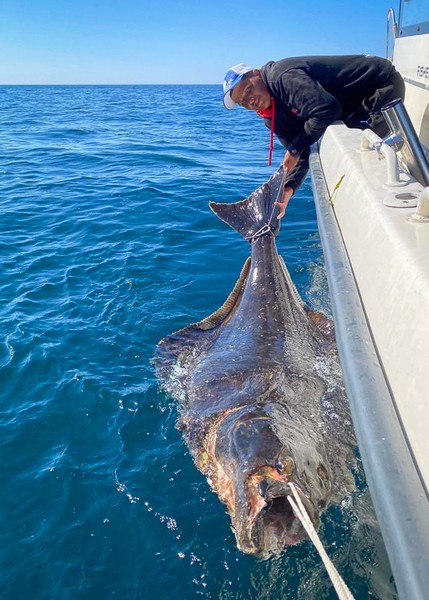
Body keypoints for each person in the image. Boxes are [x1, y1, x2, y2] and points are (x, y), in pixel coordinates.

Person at [222, 55, 405, 219]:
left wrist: (294, 148)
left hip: (379, 87)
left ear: (256, 73)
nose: (249, 100)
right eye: (243, 102)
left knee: (361, 152)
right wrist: (288, 188)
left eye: (247, 89)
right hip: (351, 105)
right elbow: (300, 153)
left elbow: (327, 110)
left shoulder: (281, 77)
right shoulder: (271, 118)